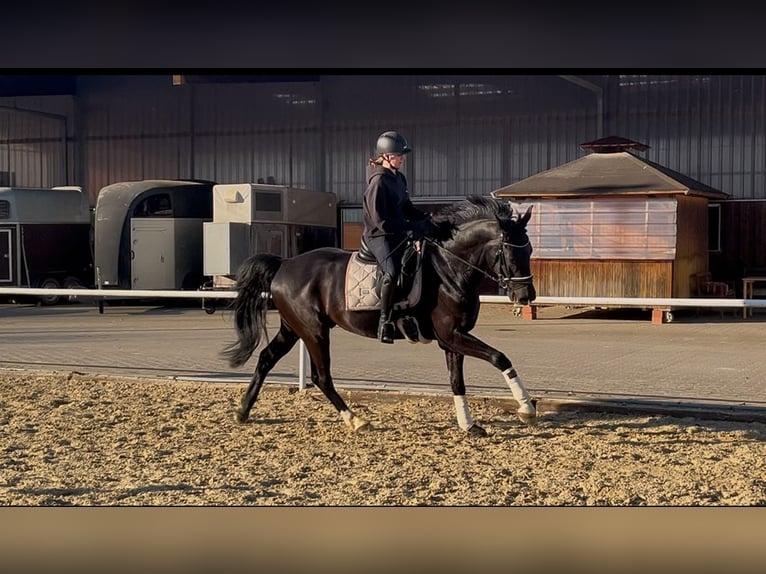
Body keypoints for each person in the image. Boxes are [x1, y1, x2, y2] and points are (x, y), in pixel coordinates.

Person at [362, 130, 438, 344]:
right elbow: (381, 221)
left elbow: (406, 208)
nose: (403, 158)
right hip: (380, 236)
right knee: (392, 272)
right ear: (386, 156)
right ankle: (384, 321)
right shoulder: (377, 183)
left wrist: (425, 218)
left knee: (414, 266)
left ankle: (407, 314)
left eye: (403, 155)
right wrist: (408, 228)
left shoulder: (399, 178)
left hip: (397, 232)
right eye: (399, 155)